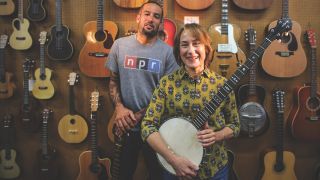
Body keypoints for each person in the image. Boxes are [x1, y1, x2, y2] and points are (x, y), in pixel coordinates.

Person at [141, 23, 240, 180]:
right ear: (178, 51)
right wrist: (174, 160)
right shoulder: (167, 84)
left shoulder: (222, 84)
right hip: (174, 170)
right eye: (184, 45)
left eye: (196, 43)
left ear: (206, 48)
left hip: (215, 169)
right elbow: (147, 126)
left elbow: (235, 125)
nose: (191, 51)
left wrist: (217, 135)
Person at [105, 1, 179, 180]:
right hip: (124, 126)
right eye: (147, 14)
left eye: (156, 16)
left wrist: (137, 116)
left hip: (156, 129)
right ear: (138, 18)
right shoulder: (119, 46)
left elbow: (166, 95)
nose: (151, 19)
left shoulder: (168, 53)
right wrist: (120, 108)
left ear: (161, 23)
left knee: (157, 175)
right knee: (122, 174)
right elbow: (113, 81)